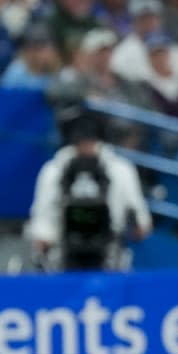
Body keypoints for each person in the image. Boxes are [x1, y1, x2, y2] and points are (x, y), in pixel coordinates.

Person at [27, 108, 152, 271]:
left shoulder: (120, 170)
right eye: (81, 138)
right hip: (62, 258)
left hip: (109, 257)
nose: (86, 144)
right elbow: (41, 224)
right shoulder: (54, 170)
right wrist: (45, 240)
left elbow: (141, 225)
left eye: (90, 138)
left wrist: (133, 226)